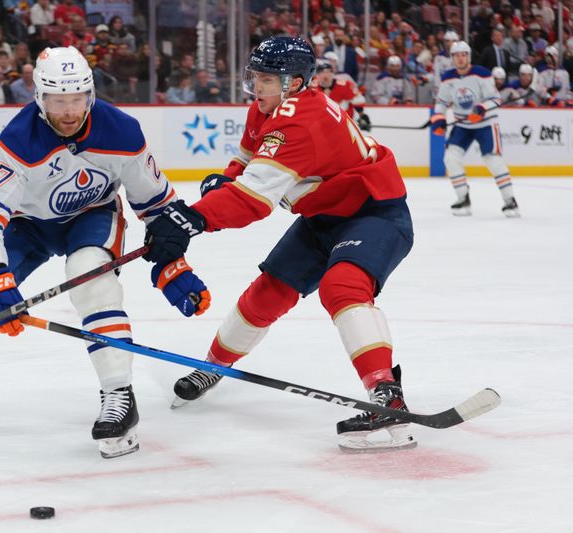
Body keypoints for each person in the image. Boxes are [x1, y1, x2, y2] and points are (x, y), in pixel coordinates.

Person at [0, 46, 211, 459]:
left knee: (92, 280)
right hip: (27, 225)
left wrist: (173, 264)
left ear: (90, 95)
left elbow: (156, 204)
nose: (68, 111)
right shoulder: (19, 139)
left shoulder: (123, 131)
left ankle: (119, 397)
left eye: (77, 99)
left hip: (92, 217)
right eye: (58, 101)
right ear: (39, 98)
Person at [143, 37, 416, 453]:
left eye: (267, 79)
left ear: (295, 83)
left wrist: (193, 217)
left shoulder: (299, 120)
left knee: (341, 287)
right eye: (256, 77)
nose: (257, 87)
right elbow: (247, 160)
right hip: (323, 217)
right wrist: (226, 178)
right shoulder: (269, 106)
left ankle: (386, 394)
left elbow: (254, 200)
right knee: (268, 293)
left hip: (374, 214)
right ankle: (213, 366)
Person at [431, 41, 519, 217]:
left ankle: (510, 201)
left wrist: (481, 108)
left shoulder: (482, 74)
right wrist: (439, 120)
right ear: (452, 58)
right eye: (457, 55)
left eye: (463, 54)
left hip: (486, 124)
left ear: (468, 57)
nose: (460, 58)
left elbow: (495, 99)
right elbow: (441, 103)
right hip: (463, 125)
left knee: (493, 160)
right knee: (451, 158)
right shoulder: (447, 77)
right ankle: (463, 198)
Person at [313, 60, 369, 130]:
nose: (325, 75)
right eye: (322, 72)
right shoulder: (312, 87)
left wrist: (362, 116)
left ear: (332, 74)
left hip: (345, 125)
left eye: (327, 72)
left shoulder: (345, 85)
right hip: (322, 125)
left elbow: (358, 101)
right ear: (317, 75)